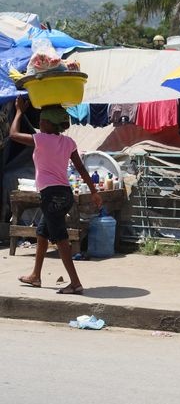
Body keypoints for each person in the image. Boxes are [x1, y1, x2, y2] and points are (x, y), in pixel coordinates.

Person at [10, 98, 102, 294]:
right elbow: (81, 169)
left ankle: (75, 283)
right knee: (42, 233)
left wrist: (19, 112)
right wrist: (94, 191)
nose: (40, 124)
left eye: (42, 121)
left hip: (51, 196)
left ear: (50, 124)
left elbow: (13, 134)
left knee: (60, 238)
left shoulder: (41, 140)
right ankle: (35, 275)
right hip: (64, 195)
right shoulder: (69, 142)